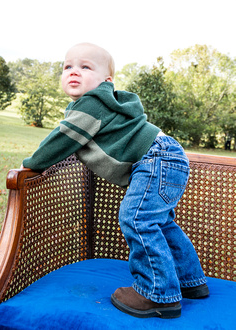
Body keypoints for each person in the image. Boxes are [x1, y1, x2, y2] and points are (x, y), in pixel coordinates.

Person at [22, 42, 209, 319]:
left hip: (156, 159)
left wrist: (30, 165)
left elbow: (62, 139)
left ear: (106, 81)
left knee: (137, 219)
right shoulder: (105, 105)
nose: (74, 72)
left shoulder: (92, 103)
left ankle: (156, 293)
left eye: (85, 67)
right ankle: (191, 281)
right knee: (161, 222)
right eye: (68, 67)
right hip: (167, 156)